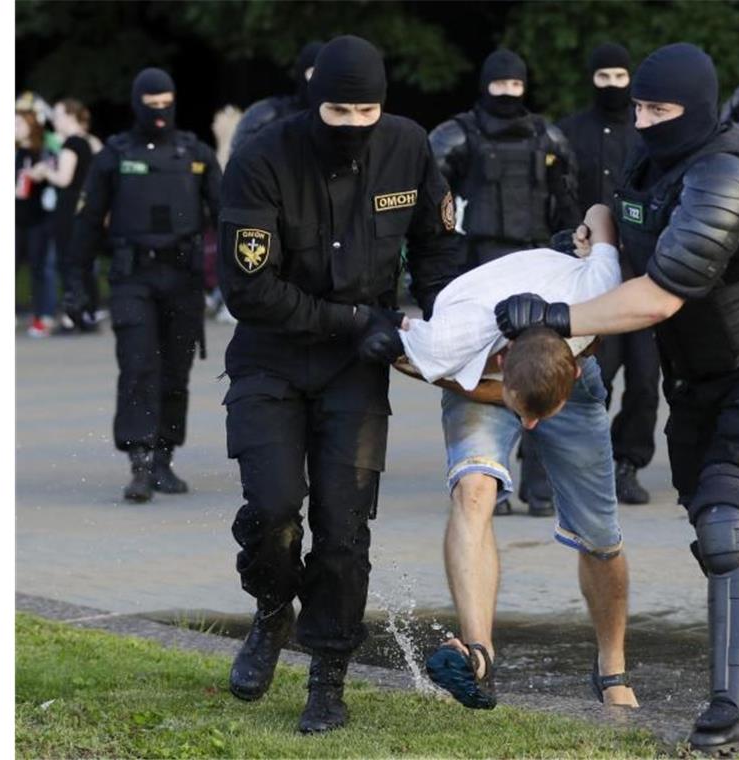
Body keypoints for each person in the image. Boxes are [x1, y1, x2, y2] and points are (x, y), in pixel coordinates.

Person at [495, 43, 739, 754]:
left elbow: (660, 295)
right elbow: (629, 207)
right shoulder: (660, 159)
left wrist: (554, 318)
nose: (645, 120)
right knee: (715, 515)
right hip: (700, 373)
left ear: (699, 109)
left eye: (661, 109)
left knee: (725, 520)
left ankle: (736, 710)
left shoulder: (727, 174)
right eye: (641, 106)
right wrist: (596, 221)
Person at [217, 36, 462, 734]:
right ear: (311, 100)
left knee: (345, 532)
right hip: (271, 359)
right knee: (273, 513)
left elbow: (438, 247)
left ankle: (328, 676)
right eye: (338, 109)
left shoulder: (409, 147)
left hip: (355, 372)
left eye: (367, 109)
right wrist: (357, 320)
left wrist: (444, 325)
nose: (354, 123)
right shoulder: (261, 156)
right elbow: (249, 289)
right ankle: (271, 611)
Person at [392, 203, 637, 709]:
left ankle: (612, 670)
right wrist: (479, 385)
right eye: (524, 416)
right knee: (474, 489)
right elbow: (406, 357)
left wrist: (590, 227)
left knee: (600, 534)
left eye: (537, 418)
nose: (531, 430)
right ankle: (477, 656)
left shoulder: (596, 293)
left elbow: (602, 212)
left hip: (555, 359)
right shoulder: (453, 337)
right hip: (473, 368)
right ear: (502, 363)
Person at [429, 48, 579, 517]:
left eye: (516, 86)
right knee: (485, 373)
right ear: (485, 85)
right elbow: (434, 198)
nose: (508, 93)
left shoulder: (546, 135)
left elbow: (567, 197)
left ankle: (541, 484)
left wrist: (570, 253)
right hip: (481, 267)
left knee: (545, 370)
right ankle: (489, 476)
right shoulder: (458, 135)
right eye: (500, 85)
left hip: (538, 263)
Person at [66, 67, 221, 502]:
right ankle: (140, 460)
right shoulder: (115, 154)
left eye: (165, 103)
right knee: (138, 367)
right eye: (150, 104)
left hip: (184, 278)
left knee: (175, 371)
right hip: (132, 277)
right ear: (137, 104)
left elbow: (228, 217)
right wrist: (76, 283)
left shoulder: (197, 154)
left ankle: (165, 459)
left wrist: (238, 279)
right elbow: (88, 221)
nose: (159, 112)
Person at [556, 42, 658, 505]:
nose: (613, 86)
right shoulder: (568, 133)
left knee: (645, 377)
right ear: (591, 78)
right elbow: (556, 197)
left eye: (621, 77)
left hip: (646, 273)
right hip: (589, 272)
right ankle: (581, 463)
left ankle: (628, 463)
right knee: (594, 372)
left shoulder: (648, 133)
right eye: (604, 78)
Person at [34, 99, 103, 333]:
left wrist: (45, 171)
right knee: (83, 263)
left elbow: (63, 179)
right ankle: (87, 314)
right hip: (85, 208)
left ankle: (74, 316)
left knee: (69, 263)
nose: (54, 120)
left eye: (58, 115)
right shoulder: (87, 142)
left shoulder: (71, 144)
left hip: (68, 209)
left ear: (70, 117)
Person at [229, 41, 323, 157]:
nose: (319, 79)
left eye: (325, 73)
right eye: (313, 72)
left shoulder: (340, 118)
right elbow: (240, 162)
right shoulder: (267, 114)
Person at [16, 108, 56, 338]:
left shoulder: (41, 151)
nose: (14, 128)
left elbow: (48, 176)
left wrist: (40, 173)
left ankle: (44, 316)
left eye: (18, 124)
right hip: (15, 220)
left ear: (30, 126)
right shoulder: (14, 151)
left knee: (40, 269)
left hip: (37, 219)